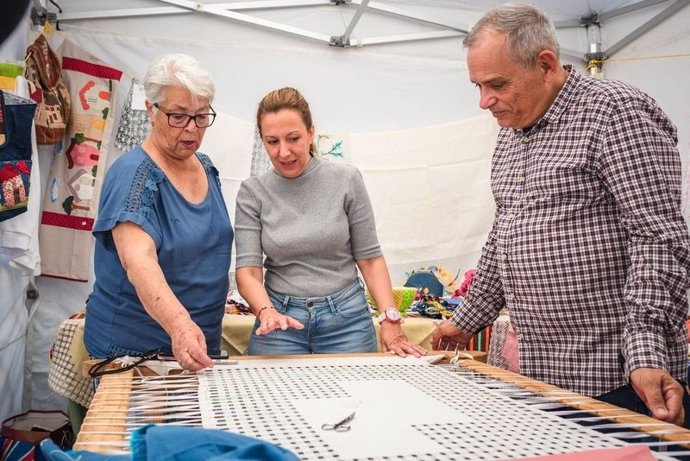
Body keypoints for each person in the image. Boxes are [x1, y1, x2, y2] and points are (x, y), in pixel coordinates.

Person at [431, 3, 690, 426]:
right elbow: (506, 236)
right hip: (531, 374)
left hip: (611, 378)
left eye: (496, 84)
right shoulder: (513, 132)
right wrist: (466, 320)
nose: (484, 101)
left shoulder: (616, 114)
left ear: (546, 64)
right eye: (477, 85)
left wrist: (646, 353)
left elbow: (659, 239)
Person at [234, 87, 426, 357]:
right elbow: (248, 272)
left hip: (346, 321)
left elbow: (370, 259)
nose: (284, 152)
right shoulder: (253, 192)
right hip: (279, 321)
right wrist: (266, 311)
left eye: (293, 138)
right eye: (272, 141)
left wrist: (390, 319)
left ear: (311, 133)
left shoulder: (346, 180)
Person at [84, 54, 233, 372]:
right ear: (151, 110)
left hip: (197, 347)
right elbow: (139, 261)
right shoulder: (134, 175)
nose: (192, 129)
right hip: (136, 352)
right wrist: (180, 325)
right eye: (178, 116)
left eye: (201, 116)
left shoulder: (205, 166)